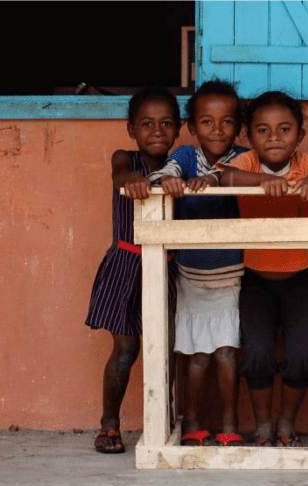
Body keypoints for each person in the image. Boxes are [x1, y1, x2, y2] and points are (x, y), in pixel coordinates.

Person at [220, 91, 308, 447]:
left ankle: (286, 423)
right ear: (248, 137)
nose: (273, 137)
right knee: (256, 354)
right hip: (255, 281)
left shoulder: (305, 164)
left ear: (300, 135)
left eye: (284, 129)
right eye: (263, 130)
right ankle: (264, 425)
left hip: (301, 279)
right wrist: (261, 183)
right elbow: (225, 179)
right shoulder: (247, 163)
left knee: (301, 355)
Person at [148, 80, 247, 446]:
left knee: (225, 352)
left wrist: (220, 179)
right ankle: (190, 421)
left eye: (226, 122)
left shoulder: (244, 158)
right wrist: (172, 183)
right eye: (207, 122)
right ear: (192, 127)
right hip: (191, 275)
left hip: (231, 276)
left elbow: (262, 180)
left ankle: (229, 422)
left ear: (238, 126)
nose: (217, 130)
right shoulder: (186, 157)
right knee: (196, 356)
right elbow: (164, 175)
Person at [86, 87, 181, 454]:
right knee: (126, 351)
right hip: (127, 266)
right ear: (131, 129)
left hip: (168, 269)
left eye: (166, 123)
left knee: (170, 349)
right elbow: (120, 176)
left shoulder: (182, 165)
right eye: (147, 124)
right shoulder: (124, 158)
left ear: (178, 128)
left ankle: (168, 422)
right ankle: (109, 424)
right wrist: (133, 182)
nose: (157, 131)